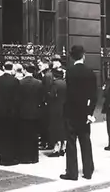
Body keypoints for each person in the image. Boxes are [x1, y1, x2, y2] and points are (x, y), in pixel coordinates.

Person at [60, 45, 97, 181]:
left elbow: (69, 94)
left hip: (71, 112)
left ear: (71, 56)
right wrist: (89, 112)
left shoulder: (69, 72)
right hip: (85, 113)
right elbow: (94, 96)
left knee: (71, 142)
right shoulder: (90, 72)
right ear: (84, 56)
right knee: (85, 141)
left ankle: (72, 172)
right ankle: (88, 171)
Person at [0, 61, 21, 166]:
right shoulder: (15, 81)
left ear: (3, 67)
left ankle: (3, 157)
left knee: (1, 134)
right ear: (12, 68)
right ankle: (11, 157)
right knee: (11, 134)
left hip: (0, 112)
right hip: (12, 112)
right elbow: (18, 99)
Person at [17, 64, 44, 164]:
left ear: (24, 70)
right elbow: (42, 98)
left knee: (24, 135)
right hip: (35, 112)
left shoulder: (20, 83)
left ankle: (24, 157)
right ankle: (34, 157)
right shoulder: (39, 83)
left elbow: (17, 99)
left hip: (23, 112)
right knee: (34, 135)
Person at [47, 67, 67, 157]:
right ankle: (63, 147)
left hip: (56, 108)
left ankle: (56, 149)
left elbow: (52, 95)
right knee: (63, 127)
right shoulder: (66, 83)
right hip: (64, 108)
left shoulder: (55, 84)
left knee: (56, 128)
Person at [37, 58, 54, 150]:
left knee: (45, 124)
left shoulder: (47, 76)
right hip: (49, 103)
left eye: (41, 64)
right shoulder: (50, 74)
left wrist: (44, 101)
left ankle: (46, 143)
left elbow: (46, 90)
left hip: (46, 103)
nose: (39, 66)